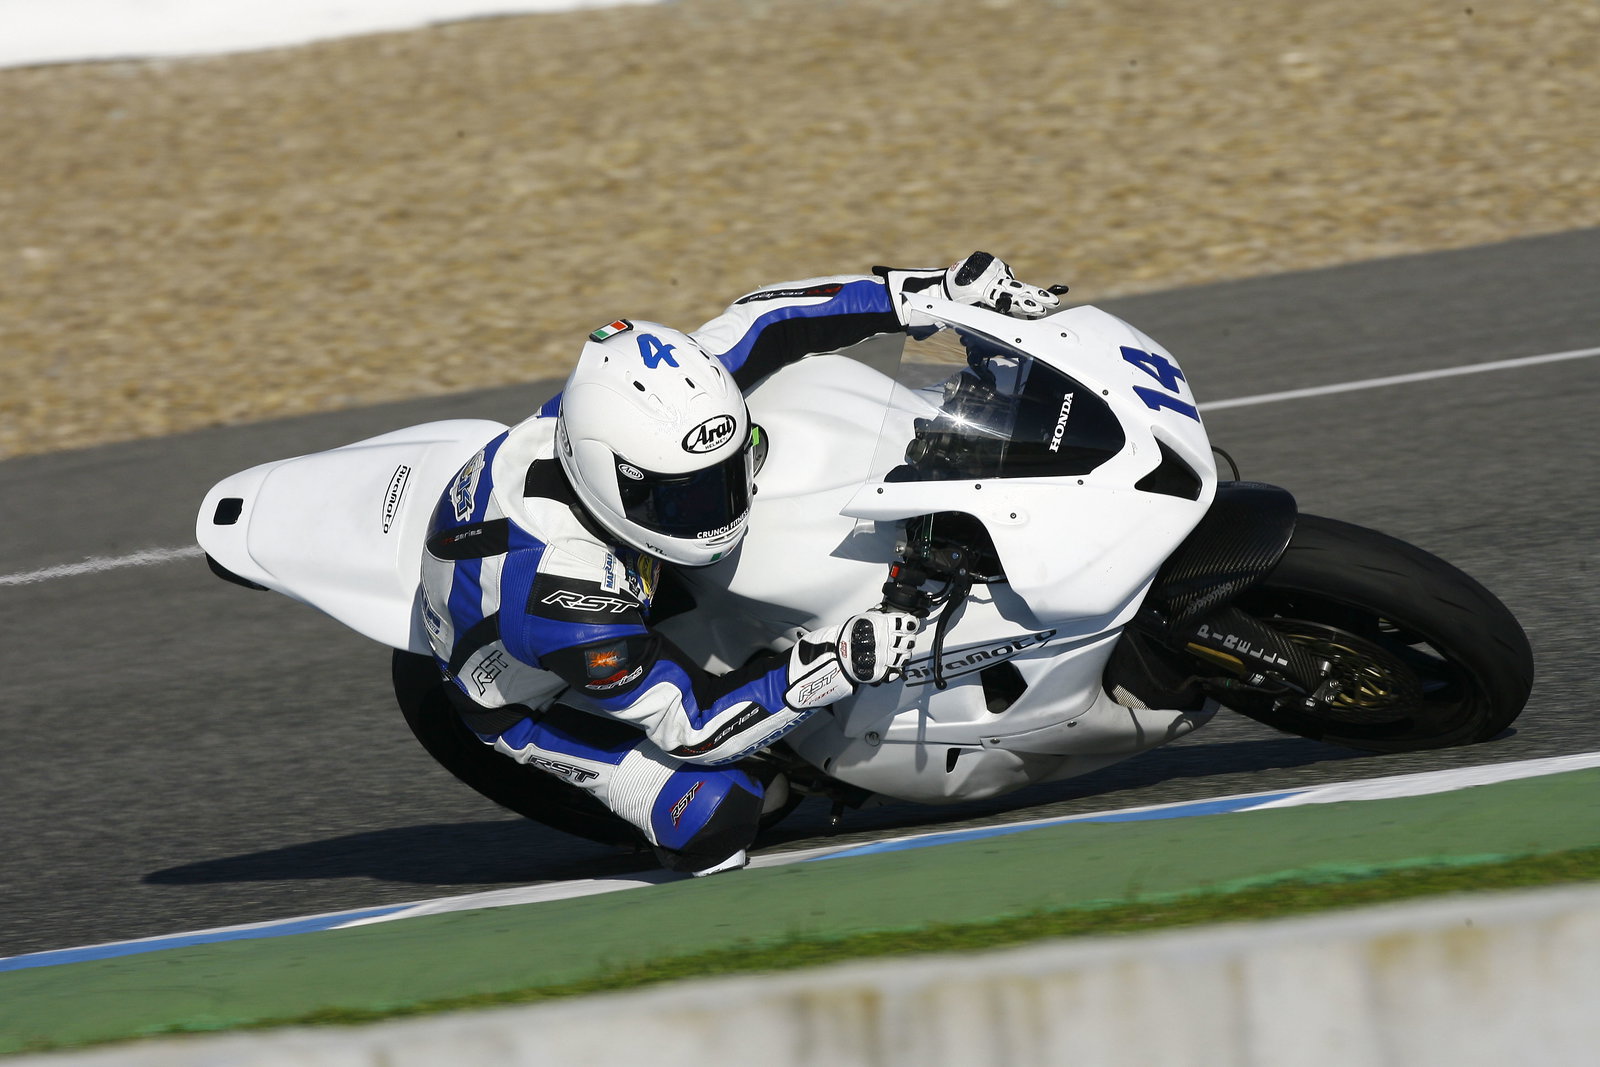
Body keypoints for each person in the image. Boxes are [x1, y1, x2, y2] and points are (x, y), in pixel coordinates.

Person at [418, 253, 1060, 875]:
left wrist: (924, 295)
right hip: (527, 697)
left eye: (724, 479)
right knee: (719, 815)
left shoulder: (643, 411)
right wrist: (837, 665)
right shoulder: (565, 599)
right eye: (683, 496)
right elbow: (691, 729)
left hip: (584, 559)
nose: (715, 509)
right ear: (609, 480)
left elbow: (769, 320)